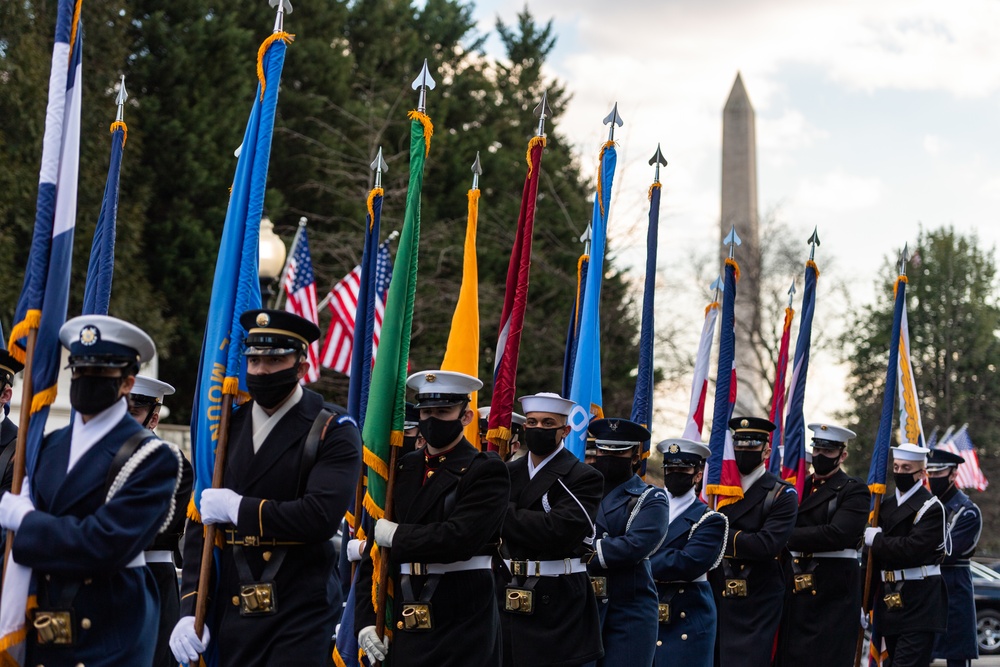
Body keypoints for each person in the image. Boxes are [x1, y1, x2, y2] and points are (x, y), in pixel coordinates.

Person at [171, 309, 362, 667]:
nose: (260, 371)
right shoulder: (226, 427)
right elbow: (202, 524)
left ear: (301, 367)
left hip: (299, 610)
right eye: (254, 359)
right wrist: (189, 606)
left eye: (274, 360)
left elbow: (319, 516)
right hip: (234, 607)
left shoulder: (332, 429)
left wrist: (237, 509)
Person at [0, 315, 181, 666]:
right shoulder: (50, 446)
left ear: (127, 382)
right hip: (47, 623)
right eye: (80, 370)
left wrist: (27, 522)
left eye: (101, 372)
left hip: (108, 630)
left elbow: (104, 544)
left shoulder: (153, 456)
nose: (86, 381)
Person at [354, 370, 510, 666]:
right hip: (404, 613)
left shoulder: (485, 470)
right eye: (426, 412)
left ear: (465, 416)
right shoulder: (401, 469)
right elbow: (374, 557)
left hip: (461, 619)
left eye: (443, 411)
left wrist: (399, 536)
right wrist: (364, 619)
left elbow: (460, 538)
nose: (432, 420)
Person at [499, 392, 604, 667]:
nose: (538, 429)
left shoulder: (582, 476)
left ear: (565, 430)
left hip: (558, 598)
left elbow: (556, 531)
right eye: (532, 423)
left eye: (548, 424)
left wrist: (499, 513)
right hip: (507, 591)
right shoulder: (507, 473)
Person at [775, 422, 870, 667]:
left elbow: (838, 533)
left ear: (842, 455)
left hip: (832, 589)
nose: (819, 456)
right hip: (795, 584)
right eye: (816, 450)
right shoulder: (797, 487)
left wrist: (785, 534)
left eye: (827, 452)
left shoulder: (853, 489)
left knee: (825, 657)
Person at [708, 416, 797, 667]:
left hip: (757, 599)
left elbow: (766, 545)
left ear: (766, 450)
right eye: (738, 445)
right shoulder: (716, 490)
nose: (743, 451)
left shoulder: (781, 493)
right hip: (717, 592)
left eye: (752, 446)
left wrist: (714, 535)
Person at [583, 418, 667, 667]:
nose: (609, 456)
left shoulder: (651, 497)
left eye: (619, 452)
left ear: (634, 456)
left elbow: (636, 545)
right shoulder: (580, 492)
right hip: (582, 605)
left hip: (629, 610)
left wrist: (582, 553)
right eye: (603, 450)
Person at [130, 374, 195, 667]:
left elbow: (156, 528)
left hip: (151, 576)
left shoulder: (170, 461)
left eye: (133, 413)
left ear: (153, 418)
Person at [864, 443, 948, 667]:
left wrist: (879, 540)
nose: (899, 472)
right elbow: (873, 561)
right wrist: (864, 603)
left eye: (906, 468)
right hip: (890, 601)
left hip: (920, 601)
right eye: (897, 467)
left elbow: (912, 549)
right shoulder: (885, 506)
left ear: (921, 473)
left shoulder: (931, 507)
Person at [649, 438, 727, 667]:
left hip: (687, 617)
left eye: (683, 469)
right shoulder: (644, 508)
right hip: (645, 610)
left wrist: (634, 559)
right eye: (670, 468)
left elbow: (687, 563)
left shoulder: (710, 519)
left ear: (698, 475)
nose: (675, 474)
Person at [927, 448, 982, 667]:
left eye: (938, 473)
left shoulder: (967, 511)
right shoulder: (926, 506)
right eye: (929, 473)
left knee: (957, 656)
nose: (932, 479)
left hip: (954, 587)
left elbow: (946, 553)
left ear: (953, 474)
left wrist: (912, 547)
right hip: (928, 587)